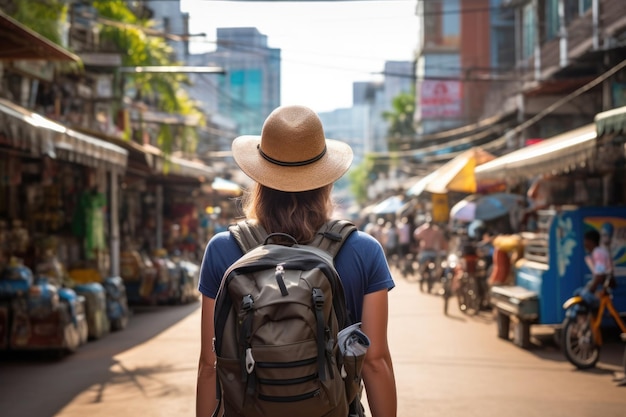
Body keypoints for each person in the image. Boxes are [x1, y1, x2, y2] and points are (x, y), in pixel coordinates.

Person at [196, 105, 397, 417]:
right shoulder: (363, 250)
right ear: (326, 180)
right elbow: (375, 361)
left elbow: (211, 364)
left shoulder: (223, 249)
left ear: (258, 179)